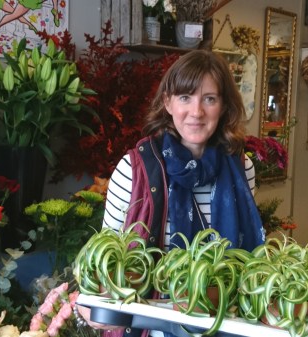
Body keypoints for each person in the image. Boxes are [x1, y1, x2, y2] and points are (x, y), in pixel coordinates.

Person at [77, 49, 266, 337]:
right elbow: (103, 261)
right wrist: (89, 308)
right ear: (167, 102)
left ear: (224, 106)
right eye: (185, 97)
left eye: (209, 99)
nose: (196, 112)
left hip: (225, 326)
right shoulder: (134, 170)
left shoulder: (242, 169)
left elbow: (245, 258)